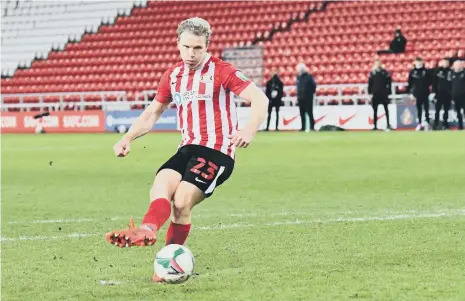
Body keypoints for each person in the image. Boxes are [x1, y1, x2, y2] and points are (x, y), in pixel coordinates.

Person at [105, 17, 269, 281]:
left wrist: (249, 129)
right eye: (186, 47)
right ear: (178, 44)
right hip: (187, 148)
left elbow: (260, 98)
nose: (191, 54)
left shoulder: (222, 71)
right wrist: (128, 138)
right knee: (161, 184)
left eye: (198, 48)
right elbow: (151, 114)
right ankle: (148, 229)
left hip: (217, 150)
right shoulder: (172, 76)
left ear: (207, 47)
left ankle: (167, 260)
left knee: (181, 202)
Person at [407, 57, 432, 130]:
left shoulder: (426, 71)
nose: (419, 63)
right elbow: (410, 83)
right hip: (417, 93)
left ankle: (427, 122)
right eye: (417, 62)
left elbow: (430, 82)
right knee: (419, 109)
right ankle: (419, 123)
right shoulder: (412, 72)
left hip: (425, 92)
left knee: (426, 108)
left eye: (420, 62)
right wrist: (410, 93)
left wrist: (431, 92)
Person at [368, 59, 392, 130]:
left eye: (379, 63)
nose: (378, 65)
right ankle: (375, 126)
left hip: (384, 94)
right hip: (375, 95)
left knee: (386, 110)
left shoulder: (385, 73)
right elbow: (370, 84)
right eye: (376, 63)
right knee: (375, 111)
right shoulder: (372, 73)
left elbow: (389, 82)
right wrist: (370, 94)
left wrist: (388, 92)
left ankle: (388, 124)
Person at [432, 59, 453, 130]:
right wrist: (433, 92)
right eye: (443, 63)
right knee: (437, 110)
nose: (445, 64)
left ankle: (445, 124)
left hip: (448, 95)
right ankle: (435, 124)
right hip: (438, 94)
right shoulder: (437, 71)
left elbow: (452, 83)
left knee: (446, 110)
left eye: (446, 63)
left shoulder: (451, 71)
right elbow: (434, 83)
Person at [296, 63, 316, 132]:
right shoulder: (298, 77)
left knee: (310, 113)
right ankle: (303, 127)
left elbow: (314, 86)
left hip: (308, 98)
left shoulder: (309, 77)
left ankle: (312, 127)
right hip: (300, 98)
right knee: (302, 114)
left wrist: (309, 94)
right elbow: (298, 88)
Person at [451, 60, 465, 130]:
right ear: (454, 66)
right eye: (456, 65)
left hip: (464, 96)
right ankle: (460, 126)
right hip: (455, 97)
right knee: (458, 112)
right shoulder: (451, 74)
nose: (458, 66)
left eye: (459, 65)